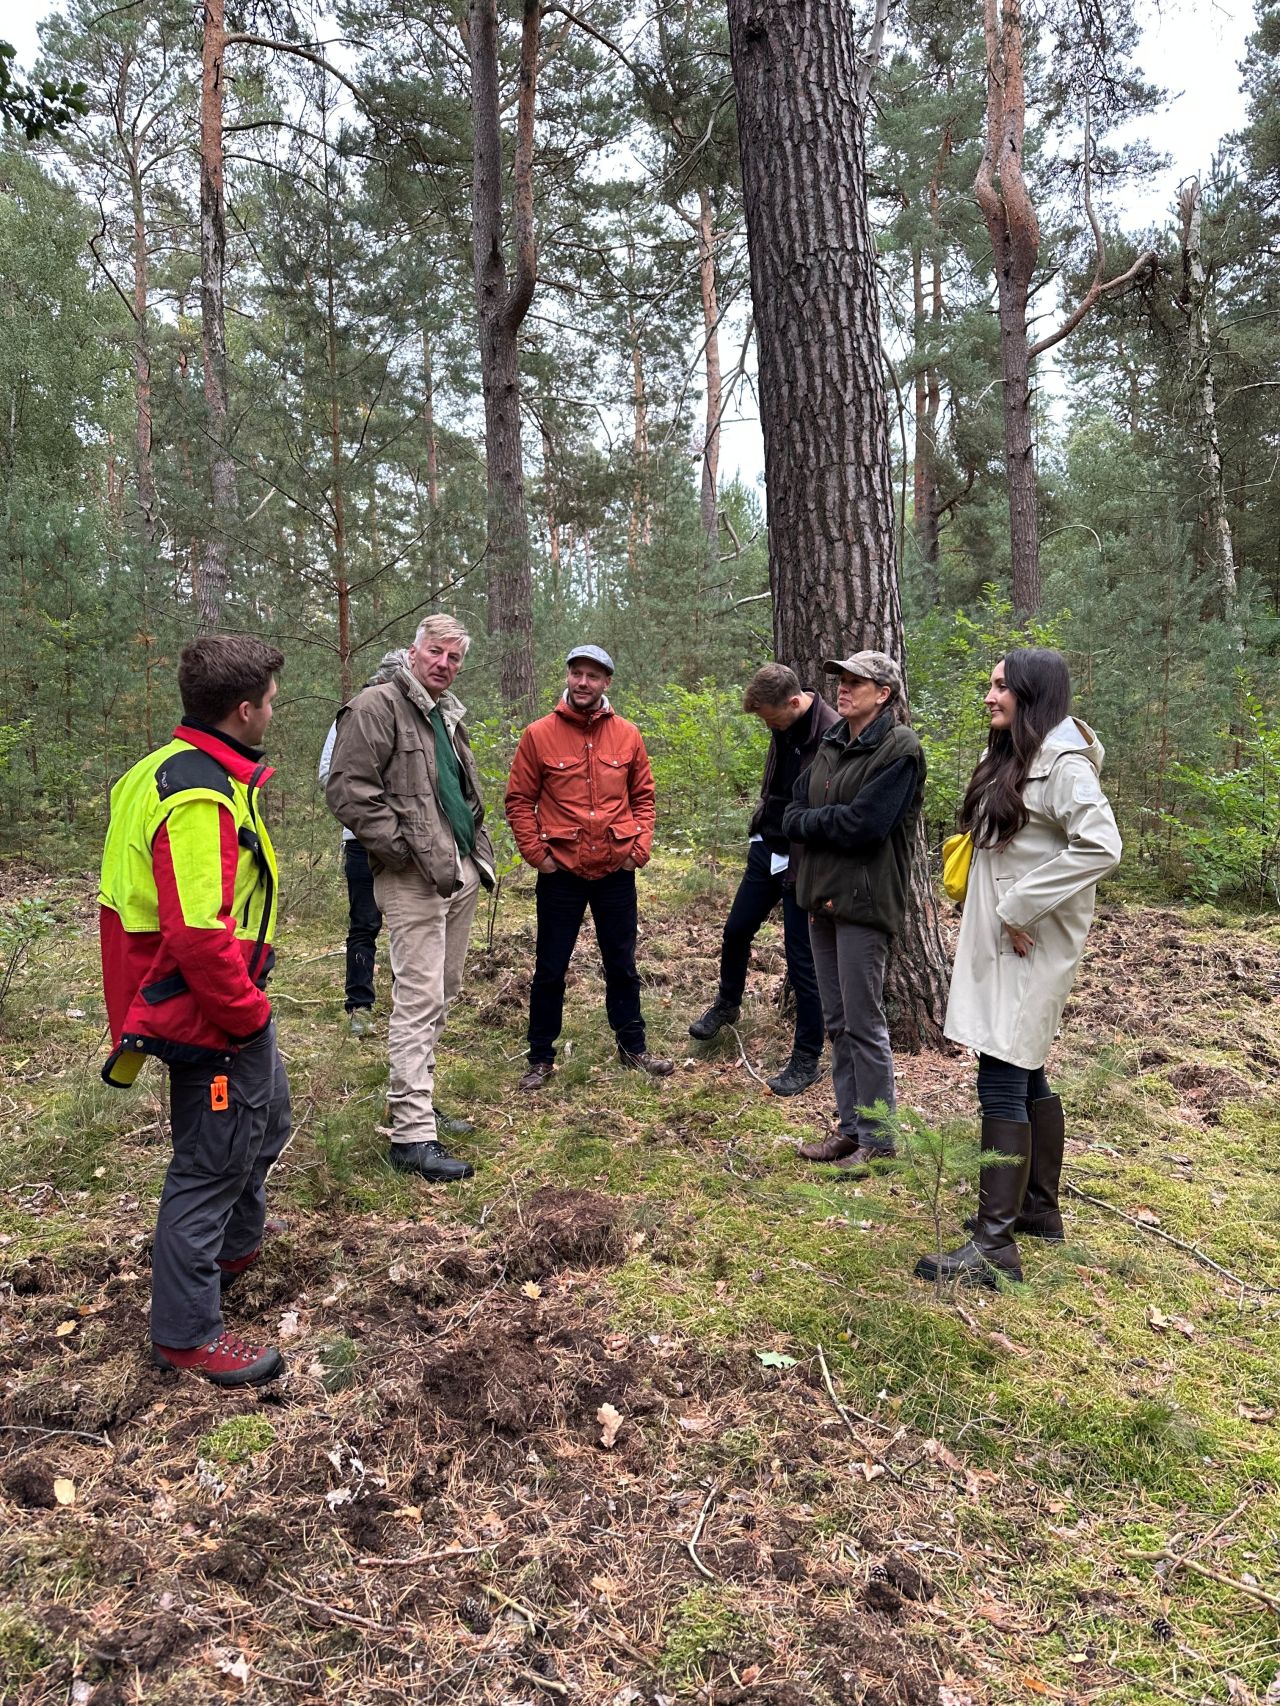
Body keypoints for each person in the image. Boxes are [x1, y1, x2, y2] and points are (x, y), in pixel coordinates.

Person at [99, 635, 290, 1388]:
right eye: (271, 700)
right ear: (243, 711)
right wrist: (242, 1016)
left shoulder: (170, 768)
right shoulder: (196, 793)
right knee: (209, 1162)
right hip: (203, 1008)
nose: (276, 707)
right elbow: (198, 932)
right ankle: (186, 1333)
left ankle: (233, 1247)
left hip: (212, 998)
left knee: (264, 1121)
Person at [915, 648, 1121, 1287]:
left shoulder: (1063, 765)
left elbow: (1102, 844)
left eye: (1001, 687)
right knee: (1023, 1061)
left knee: (1001, 1069)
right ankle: (1036, 1208)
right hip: (1001, 936)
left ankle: (994, 1245)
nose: (989, 696)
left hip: (1028, 940)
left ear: (1032, 694)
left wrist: (1020, 906)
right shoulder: (1009, 754)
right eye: (990, 686)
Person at [324, 614, 495, 1181]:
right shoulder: (376, 705)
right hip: (413, 876)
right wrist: (403, 852)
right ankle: (411, 1135)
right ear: (414, 650)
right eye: (436, 653)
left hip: (458, 872)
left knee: (441, 992)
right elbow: (349, 791)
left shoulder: (443, 712)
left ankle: (416, 1099)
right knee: (419, 998)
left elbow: (456, 790)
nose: (444, 664)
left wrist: (471, 857)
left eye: (454, 659)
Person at [781, 650, 926, 1172]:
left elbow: (867, 826)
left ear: (882, 693)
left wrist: (814, 822)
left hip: (864, 903)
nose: (842, 689)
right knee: (838, 1022)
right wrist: (821, 820)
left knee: (864, 1023)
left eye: (855, 682)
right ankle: (850, 1130)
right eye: (840, 681)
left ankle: (880, 1142)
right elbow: (788, 811)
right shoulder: (831, 742)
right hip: (820, 898)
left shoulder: (899, 749)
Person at [505, 644, 673, 1089]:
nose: (583, 683)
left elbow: (644, 798)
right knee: (550, 967)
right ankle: (540, 1058)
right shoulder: (538, 735)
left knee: (621, 963)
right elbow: (519, 801)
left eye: (593, 676)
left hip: (616, 869)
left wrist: (639, 848)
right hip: (562, 871)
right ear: (567, 677)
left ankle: (633, 1049)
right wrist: (536, 855)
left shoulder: (628, 735)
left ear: (607, 683)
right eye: (577, 674)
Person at [688, 663, 841, 1094]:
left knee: (801, 960)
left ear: (794, 703)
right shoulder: (783, 721)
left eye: (770, 718)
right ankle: (728, 1004)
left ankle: (806, 1058)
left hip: (804, 858)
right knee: (736, 930)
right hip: (768, 846)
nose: (767, 725)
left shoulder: (831, 732)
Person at [317, 649, 406, 1038]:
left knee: (409, 923)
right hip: (360, 840)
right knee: (365, 922)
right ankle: (360, 1006)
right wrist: (374, 810)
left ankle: (409, 1006)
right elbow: (328, 775)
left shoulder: (416, 717)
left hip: (409, 840)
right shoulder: (352, 716)